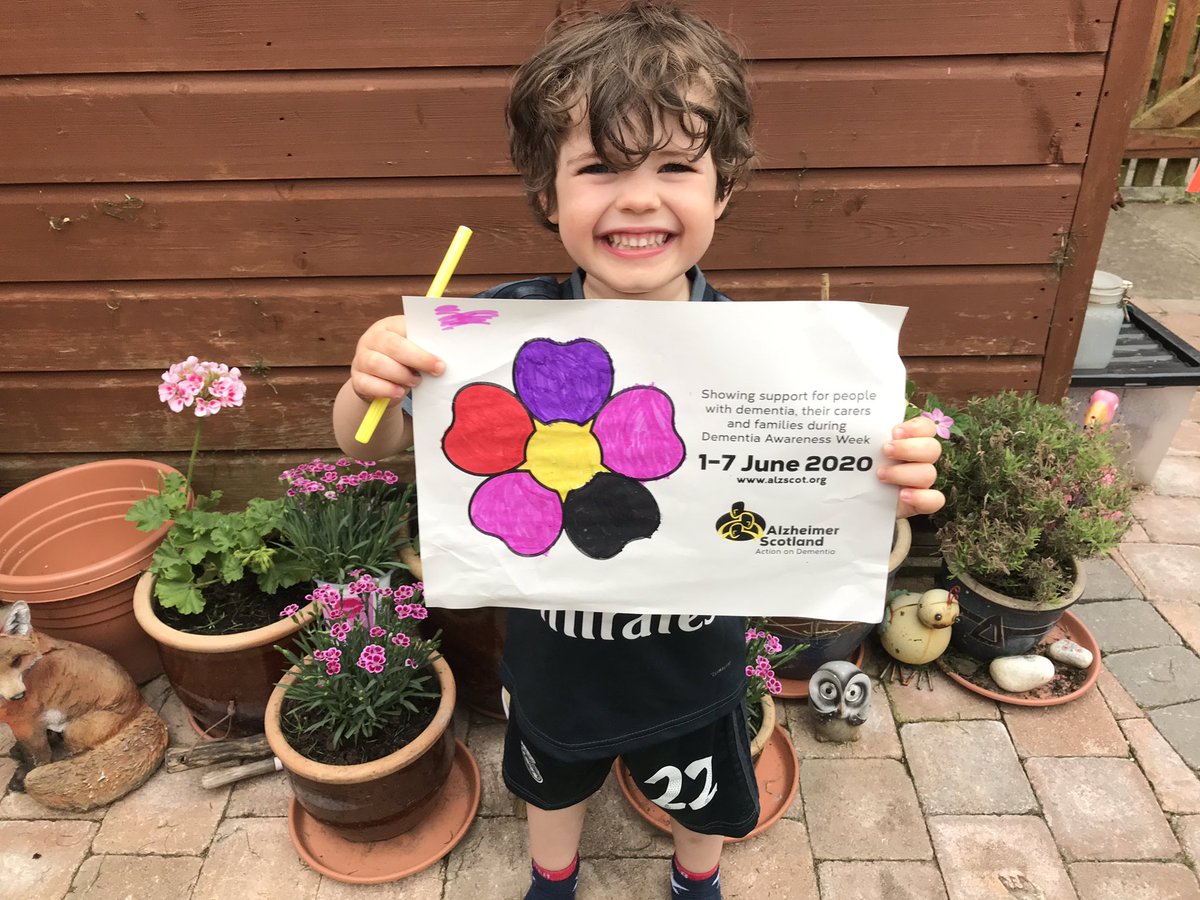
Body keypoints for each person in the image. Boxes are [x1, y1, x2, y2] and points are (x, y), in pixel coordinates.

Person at [332, 4, 944, 898]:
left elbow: (838, 491)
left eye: (676, 166)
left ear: (722, 188)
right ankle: (554, 875)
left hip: (694, 661)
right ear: (548, 193)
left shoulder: (773, 362)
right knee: (551, 777)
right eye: (600, 168)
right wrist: (371, 385)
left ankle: (696, 880)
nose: (640, 197)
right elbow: (368, 443)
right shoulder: (494, 340)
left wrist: (891, 481)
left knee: (703, 792)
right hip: (554, 660)